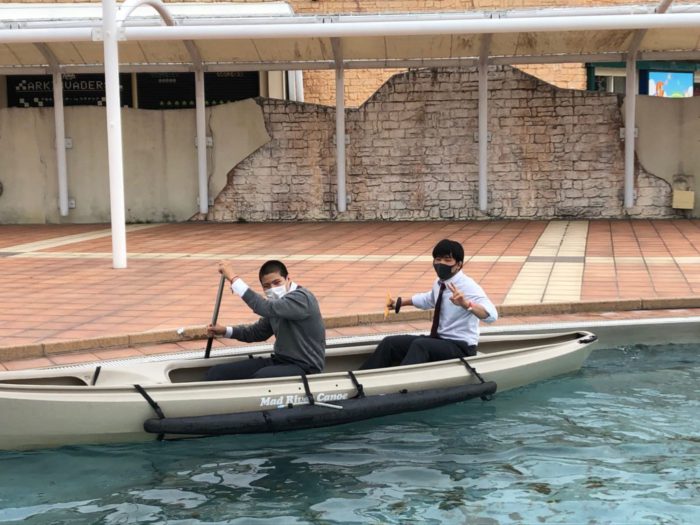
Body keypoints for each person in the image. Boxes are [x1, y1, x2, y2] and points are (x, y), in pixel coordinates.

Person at [359, 239, 497, 370]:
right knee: (390, 342)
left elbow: (491, 316)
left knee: (421, 345)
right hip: (438, 341)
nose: (441, 263)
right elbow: (429, 299)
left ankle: (400, 382)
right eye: (438, 259)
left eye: (447, 260)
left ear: (459, 265)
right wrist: (400, 303)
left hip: (461, 346)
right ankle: (361, 378)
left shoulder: (469, 287)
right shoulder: (440, 282)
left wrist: (466, 304)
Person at [205, 259, 326, 381]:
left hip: (305, 366)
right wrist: (225, 331)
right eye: (266, 286)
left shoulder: (301, 298)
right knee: (216, 373)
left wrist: (233, 278)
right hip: (280, 361)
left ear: (288, 279)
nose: (272, 289)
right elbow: (257, 332)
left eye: (277, 282)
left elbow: (265, 307)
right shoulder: (276, 305)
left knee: (260, 378)